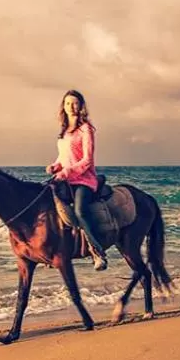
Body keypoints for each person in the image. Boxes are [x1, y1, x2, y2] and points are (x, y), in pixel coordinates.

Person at [46, 89, 108, 269]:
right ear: (63, 107)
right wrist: (55, 166)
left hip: (84, 180)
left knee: (80, 211)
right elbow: (64, 157)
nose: (71, 107)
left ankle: (97, 252)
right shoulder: (65, 131)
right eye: (67, 103)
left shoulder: (85, 129)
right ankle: (55, 249)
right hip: (66, 180)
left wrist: (65, 173)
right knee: (48, 204)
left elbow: (86, 160)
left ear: (81, 106)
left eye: (74, 103)